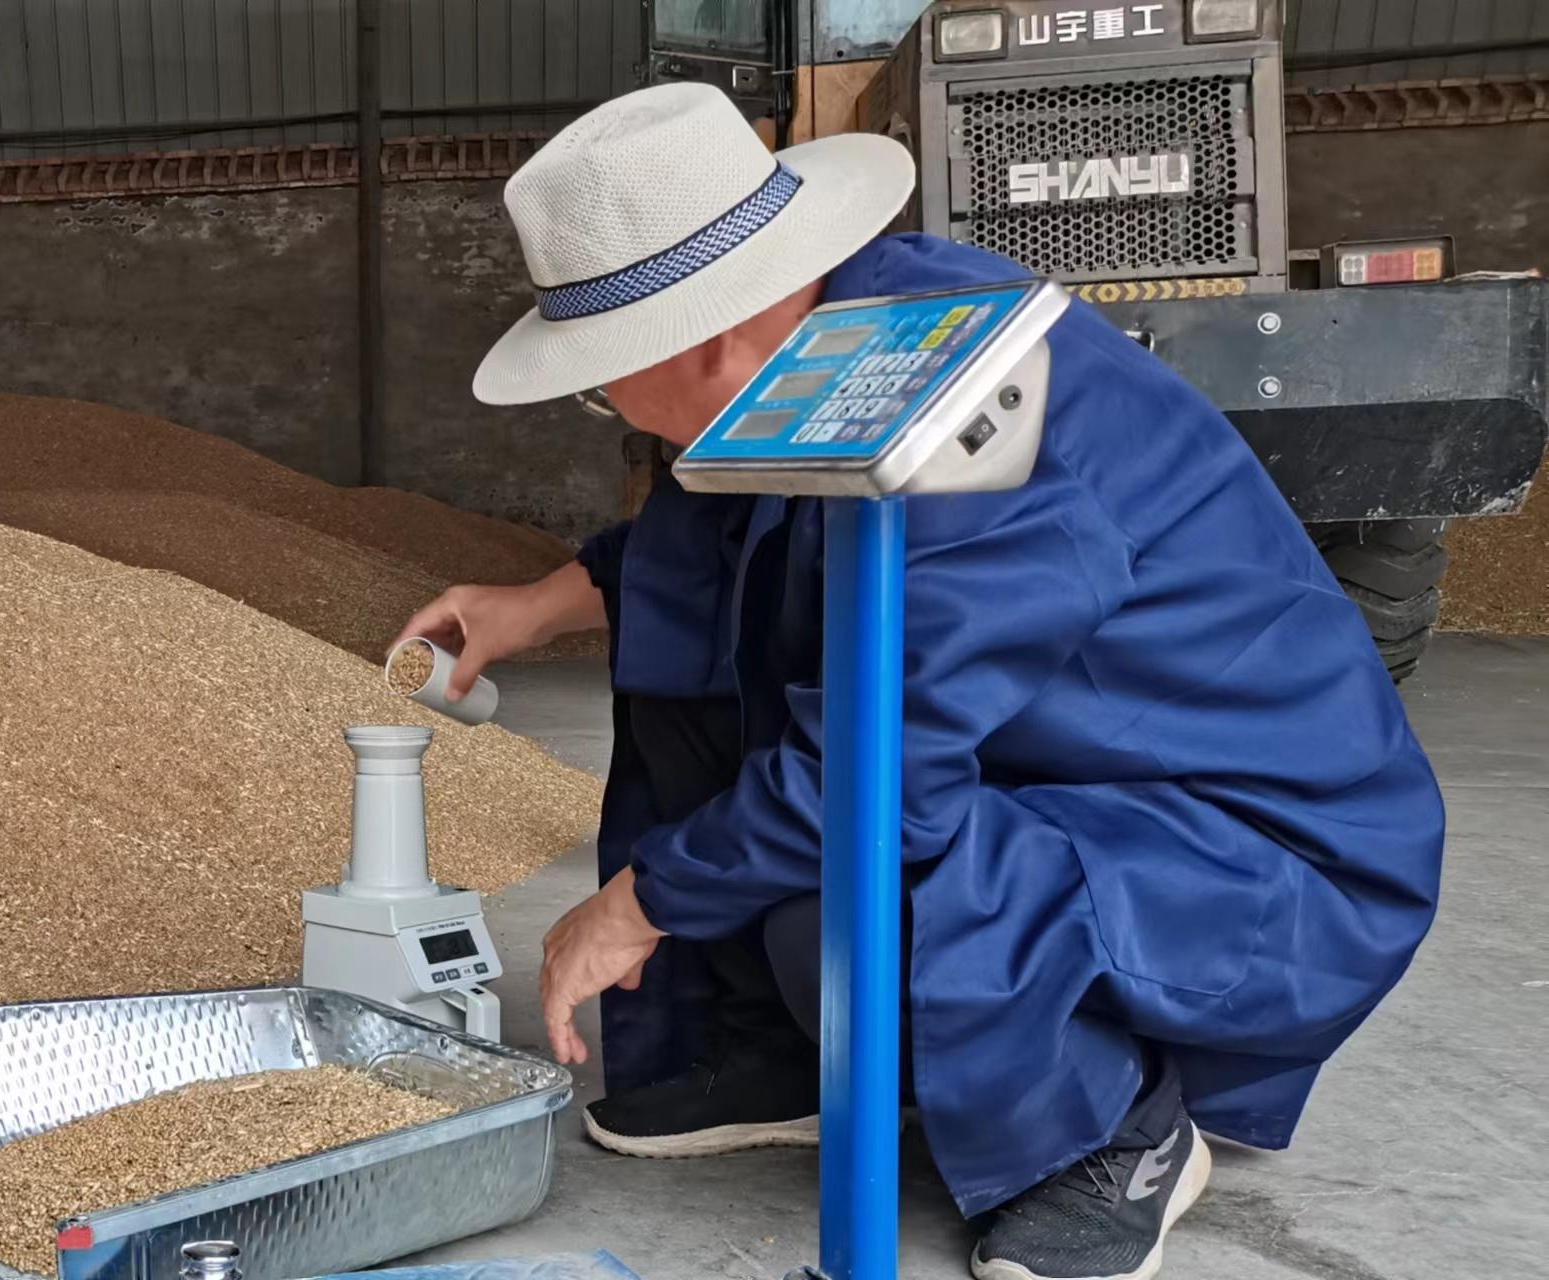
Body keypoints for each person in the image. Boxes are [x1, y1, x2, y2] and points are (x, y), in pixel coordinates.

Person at [401, 84, 1442, 1280]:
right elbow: (713, 544)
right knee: (699, 645)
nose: (607, 411)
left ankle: (1109, 1129)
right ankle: (774, 1048)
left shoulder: (968, 404)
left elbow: (875, 769)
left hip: (1248, 854)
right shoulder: (825, 334)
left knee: (845, 875)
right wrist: (532, 606)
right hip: (1070, 772)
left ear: (692, 343)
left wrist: (635, 903)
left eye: (600, 385)